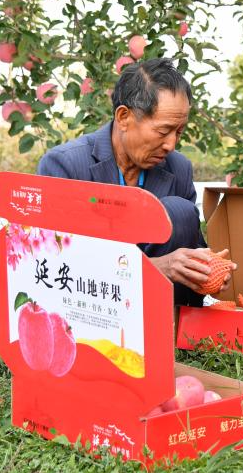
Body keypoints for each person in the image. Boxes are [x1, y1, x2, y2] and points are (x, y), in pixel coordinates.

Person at [37, 57, 229, 306]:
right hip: (90, 307)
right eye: (162, 131)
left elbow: (191, 246)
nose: (171, 145)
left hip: (160, 309)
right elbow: (52, 263)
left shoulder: (178, 168)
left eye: (179, 132)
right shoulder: (66, 166)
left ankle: (174, 330)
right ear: (124, 117)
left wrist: (206, 271)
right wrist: (154, 267)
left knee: (179, 212)